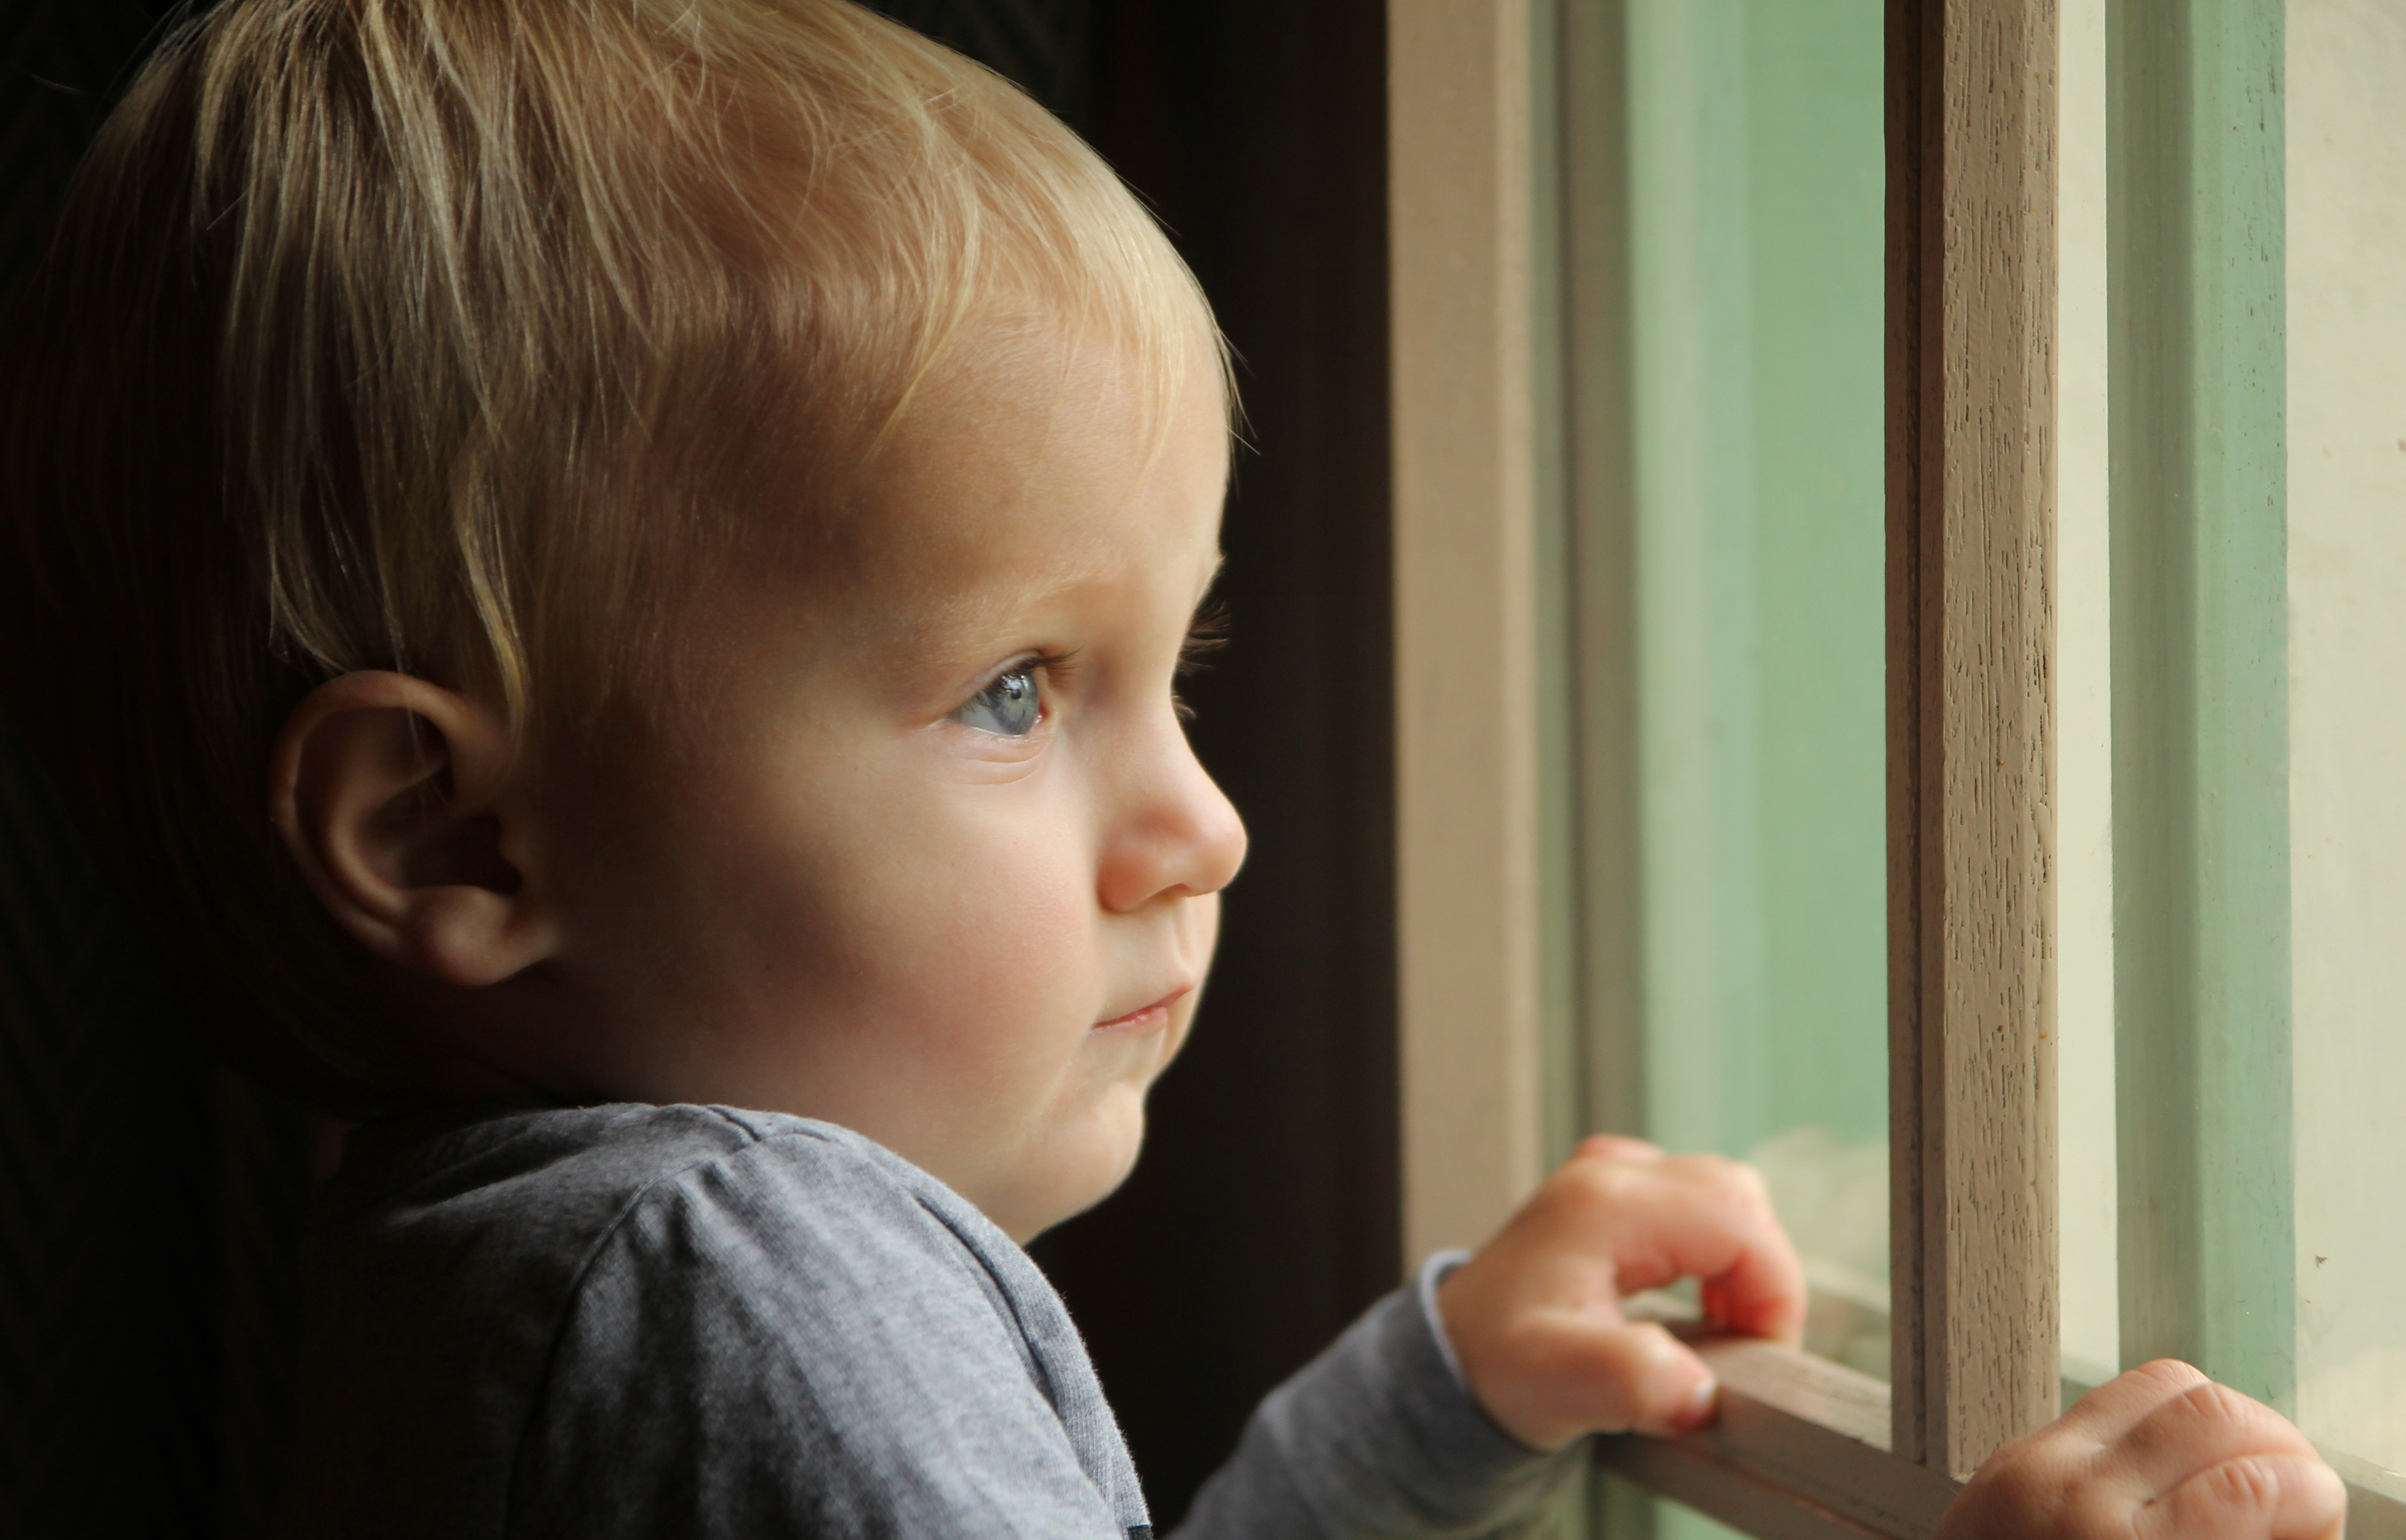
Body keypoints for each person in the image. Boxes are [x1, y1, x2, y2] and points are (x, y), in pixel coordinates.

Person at [0, 0, 2344, 1535]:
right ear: (452, 832)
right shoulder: (721, 1276)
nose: (1204, 825)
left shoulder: (483, 1267)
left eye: (1176, 670)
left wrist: (1422, 1407)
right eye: (1016, 690)